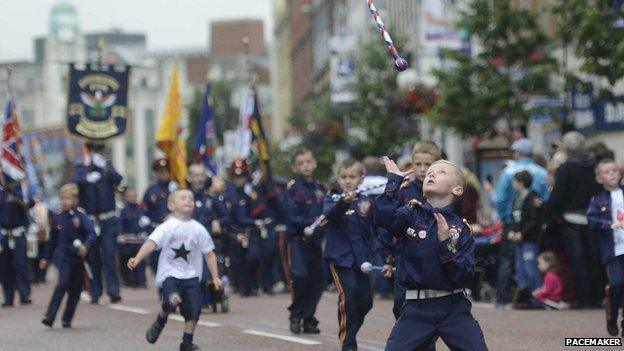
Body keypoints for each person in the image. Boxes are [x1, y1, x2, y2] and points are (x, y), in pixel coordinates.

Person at [378, 157, 488, 351]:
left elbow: (465, 274)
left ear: (457, 190)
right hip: (416, 308)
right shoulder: (410, 214)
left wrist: (446, 244)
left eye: (441, 172)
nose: (431, 173)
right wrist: (393, 182)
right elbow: (384, 220)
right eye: (430, 171)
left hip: (453, 307)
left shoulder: (461, 228)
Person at [127, 189, 222, 351]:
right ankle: (161, 320)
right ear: (172, 205)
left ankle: (187, 342)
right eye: (183, 198)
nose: (188, 201)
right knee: (172, 300)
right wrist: (137, 258)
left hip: (192, 275)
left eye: (191, 198)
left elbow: (209, 255)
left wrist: (216, 277)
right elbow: (151, 243)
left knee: (194, 309)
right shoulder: (167, 227)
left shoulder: (198, 229)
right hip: (170, 273)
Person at [374, 141, 442, 320]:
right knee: (401, 304)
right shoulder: (404, 191)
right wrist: (387, 258)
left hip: (433, 258)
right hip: (406, 256)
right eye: (417, 164)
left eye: (427, 164)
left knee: (431, 309)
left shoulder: (444, 190)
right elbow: (386, 226)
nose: (422, 169)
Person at [544, 132, 603, 308]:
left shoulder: (565, 168)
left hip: (570, 219)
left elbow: (557, 197)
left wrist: (550, 213)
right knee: (594, 258)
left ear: (567, 148)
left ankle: (583, 297)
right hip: (592, 217)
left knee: (577, 260)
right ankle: (598, 295)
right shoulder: (594, 165)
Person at [323, 159, 375, 351]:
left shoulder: (365, 201)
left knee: (366, 302)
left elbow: (372, 228)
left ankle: (350, 331)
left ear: (361, 179)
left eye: (352, 177)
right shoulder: (332, 198)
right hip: (340, 259)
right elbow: (328, 215)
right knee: (348, 297)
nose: (347, 181)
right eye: (343, 177)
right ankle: (347, 342)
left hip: (362, 259)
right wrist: (342, 204)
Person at [494, 138, 548, 307]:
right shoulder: (541, 172)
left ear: (517, 153)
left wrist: (506, 219)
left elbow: (500, 199)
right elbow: (546, 198)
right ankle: (536, 296)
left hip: (513, 223)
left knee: (507, 261)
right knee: (531, 261)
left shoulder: (508, 172)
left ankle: (502, 298)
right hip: (533, 226)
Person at [71, 142, 123, 304]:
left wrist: (105, 168)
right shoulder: (82, 167)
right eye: (93, 150)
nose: (96, 153)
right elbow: (76, 181)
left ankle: (113, 290)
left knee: (109, 255)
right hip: (91, 220)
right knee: (93, 257)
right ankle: (95, 291)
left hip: (107, 219)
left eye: (99, 149)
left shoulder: (106, 166)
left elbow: (119, 179)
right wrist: (87, 176)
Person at [40, 184, 97, 328]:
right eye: (62, 198)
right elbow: (52, 241)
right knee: (62, 284)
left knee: (76, 289)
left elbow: (91, 233)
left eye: (68, 198)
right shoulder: (57, 218)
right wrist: (46, 258)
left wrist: (86, 246)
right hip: (64, 258)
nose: (64, 201)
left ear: (75, 199)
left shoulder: (81, 216)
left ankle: (67, 318)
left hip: (78, 259)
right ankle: (50, 316)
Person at [286, 149, 326, 334]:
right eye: (301, 163)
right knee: (301, 277)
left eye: (308, 162)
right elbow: (291, 215)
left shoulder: (320, 187)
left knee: (317, 281)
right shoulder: (293, 189)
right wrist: (311, 223)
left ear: (314, 163)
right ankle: (296, 314)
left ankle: (309, 317)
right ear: (295, 167)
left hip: (316, 242)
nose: (306, 166)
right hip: (298, 240)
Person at [587, 159, 624, 335]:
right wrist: (609, 224)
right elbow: (592, 221)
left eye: (614, 170)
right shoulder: (598, 199)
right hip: (613, 250)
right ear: (599, 178)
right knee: (616, 284)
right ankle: (611, 315)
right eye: (607, 172)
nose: (612, 174)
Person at [508, 171, 542, 308]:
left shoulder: (533, 197)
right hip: (519, 240)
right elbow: (514, 218)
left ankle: (537, 298)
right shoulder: (517, 198)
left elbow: (534, 220)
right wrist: (511, 230)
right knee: (520, 269)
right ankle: (524, 298)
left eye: (515, 181)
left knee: (531, 269)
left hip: (529, 240)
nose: (513, 184)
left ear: (520, 182)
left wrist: (522, 233)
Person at [0, 181, 34, 306]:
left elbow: (30, 203)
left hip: (18, 234)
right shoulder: (1, 193)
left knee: (21, 264)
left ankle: (24, 294)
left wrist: (19, 195)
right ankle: (8, 297)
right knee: (4, 266)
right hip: (3, 234)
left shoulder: (20, 191)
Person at [143, 158, 177, 276]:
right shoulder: (151, 191)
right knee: (157, 265)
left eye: (167, 171)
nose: (164, 174)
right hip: (157, 230)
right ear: (156, 173)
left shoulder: (176, 189)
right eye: (161, 171)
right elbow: (144, 210)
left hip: (175, 232)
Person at [118, 187, 150, 288]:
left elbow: (146, 223)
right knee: (128, 261)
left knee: (141, 261)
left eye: (134, 196)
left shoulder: (142, 209)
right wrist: (120, 234)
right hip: (128, 240)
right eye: (130, 196)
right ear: (126, 197)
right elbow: (120, 224)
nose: (132, 198)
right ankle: (129, 281)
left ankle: (141, 281)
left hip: (140, 240)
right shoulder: (123, 210)